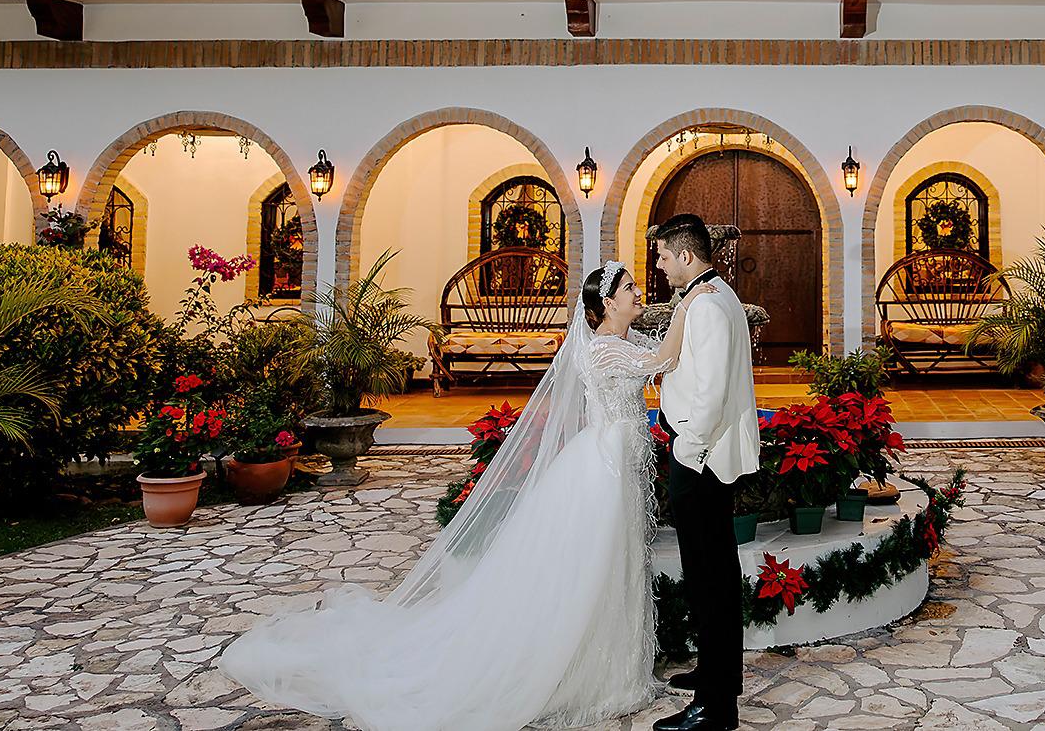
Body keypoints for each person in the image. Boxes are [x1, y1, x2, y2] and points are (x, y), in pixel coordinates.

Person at [219, 261, 716, 731]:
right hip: (603, 468)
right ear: (607, 302)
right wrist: (692, 299)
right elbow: (665, 359)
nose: (638, 293)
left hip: (621, 462)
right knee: (597, 564)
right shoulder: (606, 348)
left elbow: (666, 349)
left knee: (620, 560)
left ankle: (618, 667)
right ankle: (585, 672)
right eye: (629, 288)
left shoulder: (625, 337)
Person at [651, 214, 760, 731]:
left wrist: (686, 454)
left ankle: (718, 708)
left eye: (664, 256)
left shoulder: (710, 307)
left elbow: (712, 396)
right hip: (704, 456)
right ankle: (714, 675)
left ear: (686, 256)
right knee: (708, 576)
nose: (659, 263)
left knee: (711, 581)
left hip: (702, 461)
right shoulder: (711, 296)